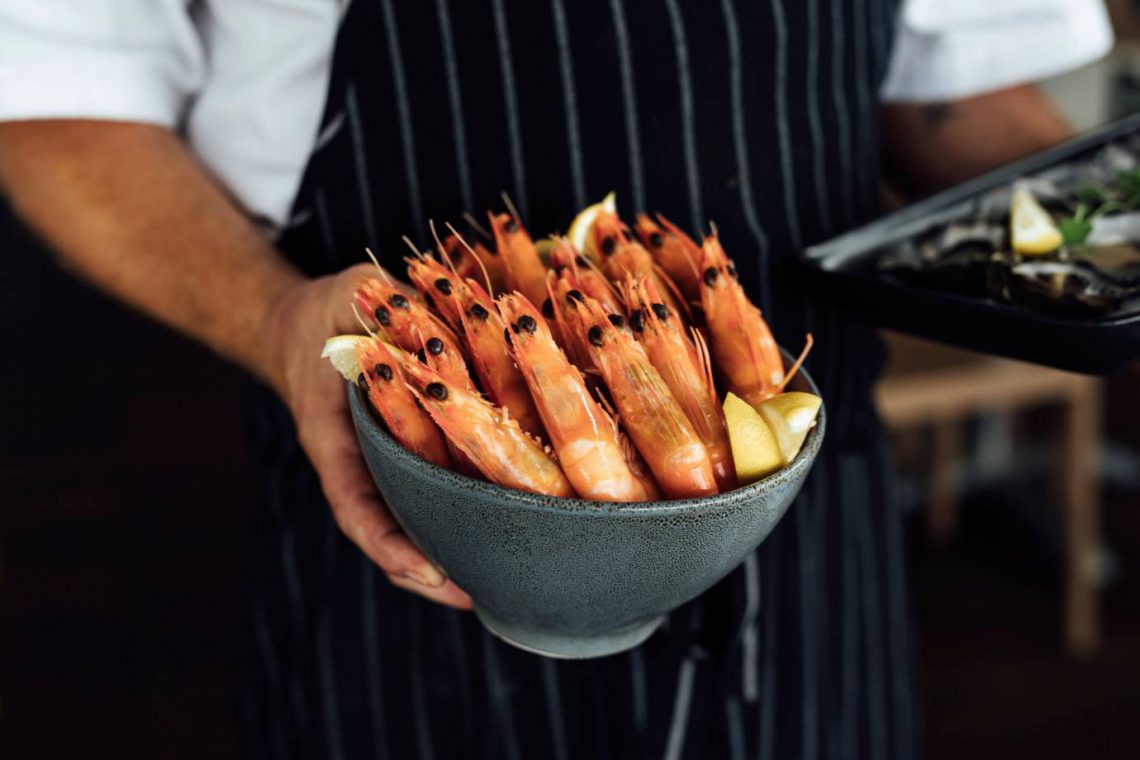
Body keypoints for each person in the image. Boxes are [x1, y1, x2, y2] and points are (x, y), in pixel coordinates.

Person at [0, 1, 1113, 757]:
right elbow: (53, 97)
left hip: (806, 535)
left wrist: (1105, 234)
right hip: (389, 526)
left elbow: (957, 92)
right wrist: (274, 317)